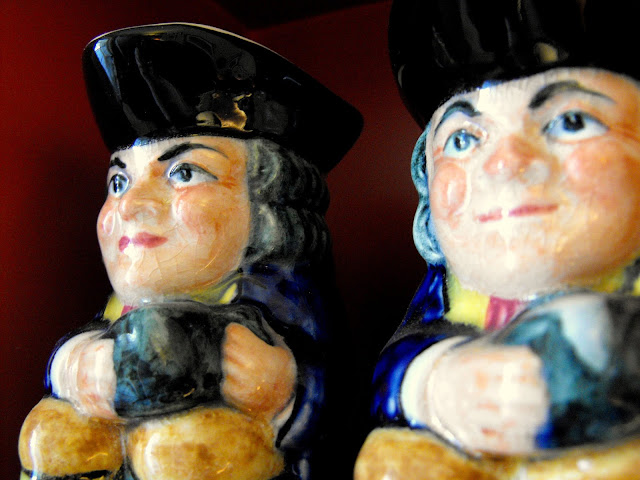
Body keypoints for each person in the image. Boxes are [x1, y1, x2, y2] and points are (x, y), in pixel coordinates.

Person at [18, 23, 362, 480]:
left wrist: (275, 382)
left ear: (269, 205)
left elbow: (330, 397)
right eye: (119, 181)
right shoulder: (120, 311)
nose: (131, 205)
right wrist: (75, 363)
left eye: (184, 173)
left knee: (182, 452)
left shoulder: (284, 309)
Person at [355, 1, 640, 479]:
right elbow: (397, 368)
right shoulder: (449, 300)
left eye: (570, 121)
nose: (505, 163)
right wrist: (440, 386)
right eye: (463, 139)